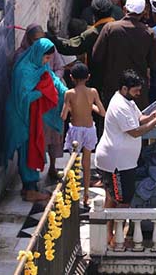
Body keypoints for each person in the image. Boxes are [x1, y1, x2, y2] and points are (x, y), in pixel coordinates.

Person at [95, 69, 156, 241]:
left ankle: (110, 235)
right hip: (116, 163)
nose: (139, 93)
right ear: (125, 89)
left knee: (113, 197)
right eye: (136, 91)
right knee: (121, 201)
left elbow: (139, 118)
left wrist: (152, 116)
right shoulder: (119, 106)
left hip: (123, 162)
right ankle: (114, 238)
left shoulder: (128, 101)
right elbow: (135, 132)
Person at [4, 38, 67, 202]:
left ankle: (29, 187)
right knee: (28, 150)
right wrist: (42, 92)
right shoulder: (23, 71)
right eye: (46, 58)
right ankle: (30, 189)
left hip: (32, 115)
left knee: (33, 146)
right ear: (38, 54)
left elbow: (52, 79)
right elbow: (23, 97)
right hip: (20, 116)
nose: (47, 61)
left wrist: (66, 93)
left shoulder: (40, 66)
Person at [91, 0, 156, 110]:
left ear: (124, 9)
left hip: (113, 87)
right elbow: (153, 63)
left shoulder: (110, 28)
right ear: (143, 13)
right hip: (138, 91)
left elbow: (96, 56)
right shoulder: (149, 33)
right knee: (137, 124)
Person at [60, 62, 106, 205]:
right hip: (89, 129)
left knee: (73, 162)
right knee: (87, 163)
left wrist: (71, 108)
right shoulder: (93, 92)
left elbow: (63, 115)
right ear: (88, 77)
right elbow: (102, 112)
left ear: (71, 77)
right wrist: (89, 106)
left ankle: (71, 193)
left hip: (75, 130)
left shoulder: (69, 93)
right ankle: (86, 194)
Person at [48, 0, 115, 64]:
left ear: (94, 15)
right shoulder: (118, 28)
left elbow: (68, 47)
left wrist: (48, 37)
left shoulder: (93, 33)